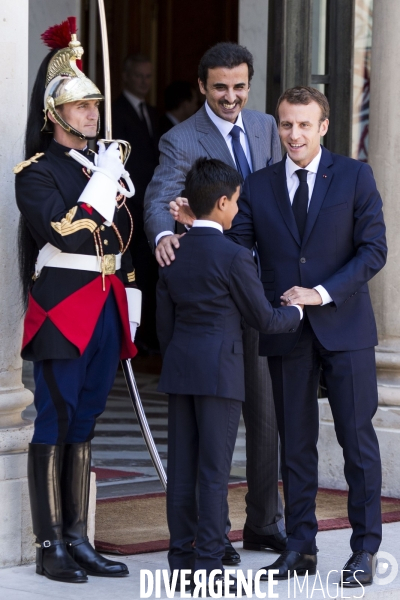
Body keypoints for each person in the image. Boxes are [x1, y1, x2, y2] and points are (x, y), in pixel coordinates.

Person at [219, 86, 386, 586]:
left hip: (346, 327)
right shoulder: (259, 183)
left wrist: (320, 293)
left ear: (324, 127)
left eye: (304, 125)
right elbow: (235, 247)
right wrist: (200, 225)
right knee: (294, 444)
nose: (294, 134)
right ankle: (300, 547)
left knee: (358, 443)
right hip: (284, 332)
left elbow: (373, 251)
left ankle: (364, 550)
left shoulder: (355, 175)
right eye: (286, 125)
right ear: (278, 126)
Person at [144, 41, 285, 565]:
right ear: (203, 86)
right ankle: (212, 538)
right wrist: (163, 236)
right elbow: (159, 197)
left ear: (250, 84)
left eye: (240, 86)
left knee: (266, 415)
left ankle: (264, 522)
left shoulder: (269, 127)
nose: (232, 97)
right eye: (221, 87)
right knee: (212, 436)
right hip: (213, 292)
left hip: (262, 284)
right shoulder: (182, 138)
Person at [14, 20, 140, 583]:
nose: (93, 114)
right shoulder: (36, 175)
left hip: (106, 304)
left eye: (94, 105)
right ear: (55, 115)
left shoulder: (101, 166)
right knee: (56, 418)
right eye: (82, 106)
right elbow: (65, 232)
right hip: (65, 308)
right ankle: (49, 545)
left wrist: (130, 299)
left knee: (86, 420)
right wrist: (103, 180)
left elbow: (121, 240)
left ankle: (78, 537)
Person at [157, 158, 302, 595]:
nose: (238, 210)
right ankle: (210, 568)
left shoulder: (173, 253)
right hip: (221, 371)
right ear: (221, 203)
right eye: (236, 202)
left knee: (182, 470)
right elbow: (261, 318)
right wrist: (296, 311)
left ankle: (181, 563)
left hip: (181, 368)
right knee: (214, 472)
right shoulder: (236, 255)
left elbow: (164, 325)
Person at [112, 53, 160, 352]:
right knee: (134, 271)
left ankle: (148, 334)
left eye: (148, 76)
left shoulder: (153, 113)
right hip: (128, 206)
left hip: (151, 204)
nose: (144, 82)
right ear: (126, 76)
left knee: (150, 268)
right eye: (138, 76)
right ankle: (134, 335)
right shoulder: (115, 113)